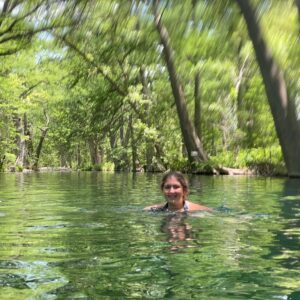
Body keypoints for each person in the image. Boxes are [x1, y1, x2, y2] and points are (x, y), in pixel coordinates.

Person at [145, 171, 212, 212]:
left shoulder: (199, 211)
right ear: (162, 190)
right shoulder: (155, 210)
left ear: (184, 190)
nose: (171, 191)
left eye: (176, 187)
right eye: (167, 187)